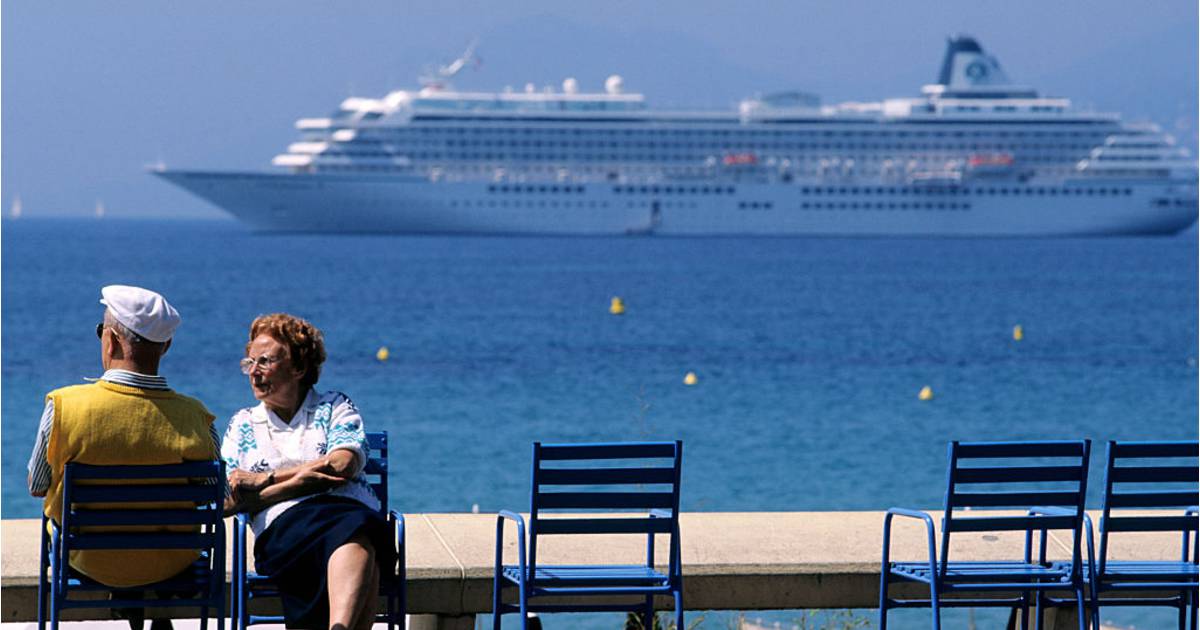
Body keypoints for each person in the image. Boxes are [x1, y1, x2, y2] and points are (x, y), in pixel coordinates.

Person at [27, 285, 220, 630]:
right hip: (172, 561)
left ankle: (128, 599)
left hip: (89, 560)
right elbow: (213, 492)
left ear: (111, 340)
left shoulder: (63, 408)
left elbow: (38, 486)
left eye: (101, 331)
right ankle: (151, 604)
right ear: (167, 346)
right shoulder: (196, 418)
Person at [222, 313, 393, 630]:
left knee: (357, 526)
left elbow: (342, 464)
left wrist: (266, 480)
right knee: (361, 531)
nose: (254, 373)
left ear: (298, 368)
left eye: (265, 362)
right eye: (249, 363)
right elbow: (227, 502)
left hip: (345, 513)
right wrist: (299, 483)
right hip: (284, 529)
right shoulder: (242, 424)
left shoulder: (334, 406)